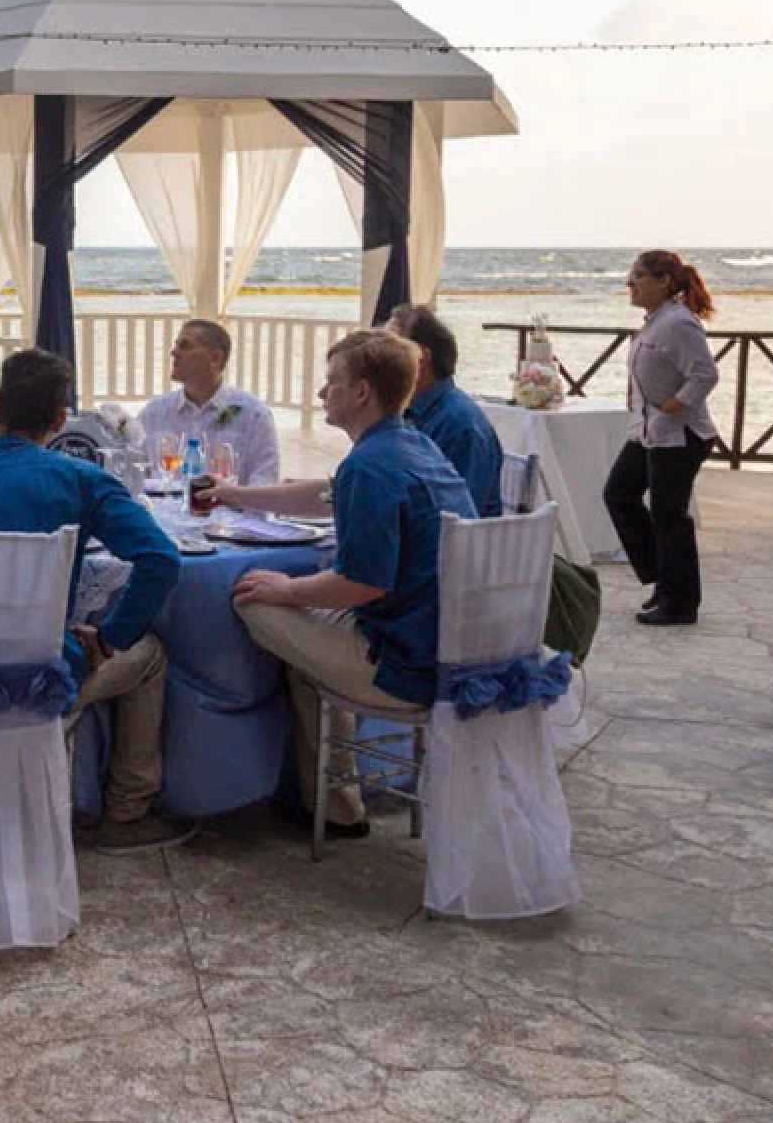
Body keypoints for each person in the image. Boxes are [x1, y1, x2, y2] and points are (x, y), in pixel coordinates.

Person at [0, 347, 186, 849]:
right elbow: (161, 561)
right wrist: (108, 640)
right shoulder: (82, 480)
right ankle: (125, 813)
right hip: (36, 675)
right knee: (149, 658)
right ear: (61, 421)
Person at [229, 329, 474, 839]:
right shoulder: (414, 445)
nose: (322, 394)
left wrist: (285, 591)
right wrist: (236, 495)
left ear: (361, 392)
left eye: (332, 382)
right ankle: (334, 805)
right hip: (452, 643)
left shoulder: (371, 466)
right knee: (304, 643)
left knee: (250, 596)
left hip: (406, 664)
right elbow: (324, 494)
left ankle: (236, 775)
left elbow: (362, 585)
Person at [605, 250, 718, 626]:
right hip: (650, 430)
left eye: (637, 277)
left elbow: (704, 374)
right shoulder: (654, 321)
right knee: (619, 493)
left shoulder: (678, 323)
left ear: (664, 281)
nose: (630, 285)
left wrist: (676, 404)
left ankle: (681, 603)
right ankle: (662, 579)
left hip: (680, 435)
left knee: (670, 516)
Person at [390, 304, 503, 517]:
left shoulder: (459, 425)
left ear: (421, 358)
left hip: (451, 546)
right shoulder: (410, 413)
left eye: (388, 350)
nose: (377, 360)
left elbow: (459, 519)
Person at [135, 320, 280, 486]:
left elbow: (265, 482)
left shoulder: (254, 416)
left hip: (230, 510)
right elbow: (134, 477)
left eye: (185, 346)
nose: (174, 352)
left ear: (215, 359)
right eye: (176, 345)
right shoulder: (153, 414)